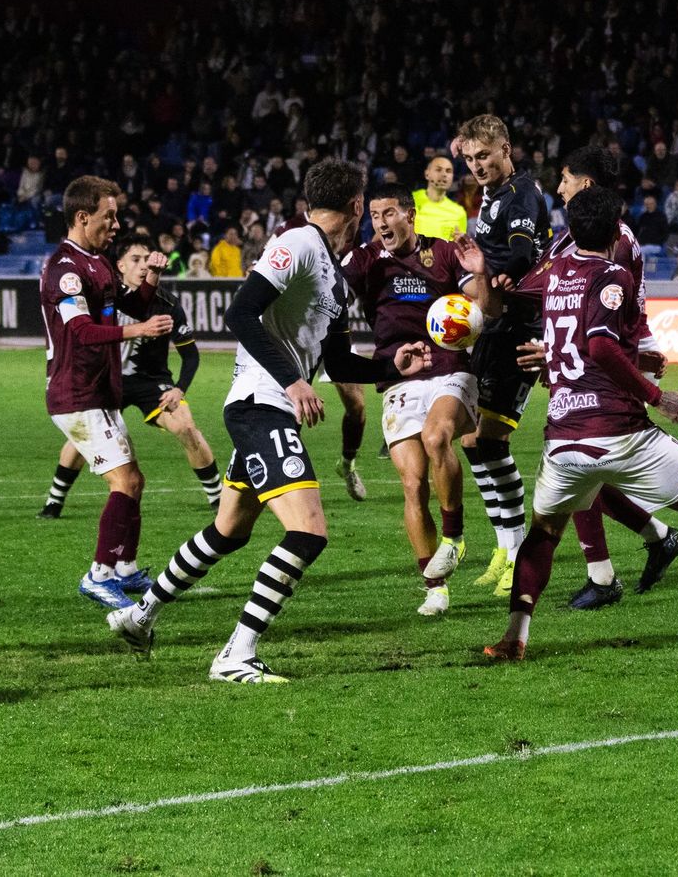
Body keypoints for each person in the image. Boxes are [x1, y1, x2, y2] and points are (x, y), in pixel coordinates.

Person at [107, 159, 430, 682]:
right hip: (259, 405)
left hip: (270, 409)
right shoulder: (297, 242)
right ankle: (236, 654)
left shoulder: (335, 275)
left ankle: (138, 615)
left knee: (228, 531)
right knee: (309, 531)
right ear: (356, 206)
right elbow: (240, 313)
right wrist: (293, 380)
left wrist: (392, 366)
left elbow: (338, 361)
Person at [482, 185, 678, 662]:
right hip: (618, 430)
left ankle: (514, 638)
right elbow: (599, 346)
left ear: (570, 232)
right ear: (617, 232)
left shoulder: (555, 275)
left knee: (544, 532)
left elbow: (566, 335)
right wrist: (657, 396)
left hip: (562, 437)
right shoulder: (613, 275)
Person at [513, 146, 678, 610]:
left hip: (608, 357)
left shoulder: (614, 240)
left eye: (565, 178)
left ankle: (607, 573)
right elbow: (541, 286)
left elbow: (607, 317)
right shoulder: (578, 233)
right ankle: (652, 540)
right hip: (587, 353)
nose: (559, 188)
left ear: (585, 184)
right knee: (582, 462)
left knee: (583, 458)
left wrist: (560, 350)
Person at [344, 182, 491, 616]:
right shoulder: (366, 259)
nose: (381, 223)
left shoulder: (442, 253)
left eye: (389, 213)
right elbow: (330, 290)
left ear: (410, 214)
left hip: (449, 367)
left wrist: (480, 273)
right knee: (412, 485)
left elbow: (484, 307)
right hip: (398, 377)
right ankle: (435, 586)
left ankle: (454, 536)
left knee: (436, 437)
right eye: (375, 216)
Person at [39, 177, 174, 613]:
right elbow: (81, 330)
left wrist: (152, 276)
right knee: (125, 481)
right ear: (83, 217)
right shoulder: (65, 269)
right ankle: (99, 575)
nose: (116, 225)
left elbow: (131, 307)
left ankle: (125, 567)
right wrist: (139, 331)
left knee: (135, 480)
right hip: (76, 393)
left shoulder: (97, 262)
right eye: (108, 216)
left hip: (99, 391)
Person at [38, 235, 223, 519]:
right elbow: (82, 329)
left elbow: (191, 355)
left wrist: (179, 388)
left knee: (186, 426)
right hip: (108, 378)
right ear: (120, 266)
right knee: (83, 435)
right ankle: (54, 501)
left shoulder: (165, 303)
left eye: (146, 259)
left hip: (151, 381)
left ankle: (218, 497)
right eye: (135, 259)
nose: (142, 265)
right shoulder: (105, 295)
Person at [456, 114, 551, 594]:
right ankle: (504, 546)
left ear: (506, 149)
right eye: (470, 158)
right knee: (474, 441)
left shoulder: (522, 194)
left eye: (484, 156)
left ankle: (518, 555)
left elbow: (520, 250)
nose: (477, 165)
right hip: (494, 327)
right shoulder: (492, 194)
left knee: (490, 440)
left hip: (520, 331)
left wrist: (494, 271)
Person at [412, 155, 468, 241]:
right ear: (427, 174)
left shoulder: (459, 212)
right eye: (438, 170)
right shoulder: (410, 200)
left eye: (448, 171)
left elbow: (458, 245)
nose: (444, 174)